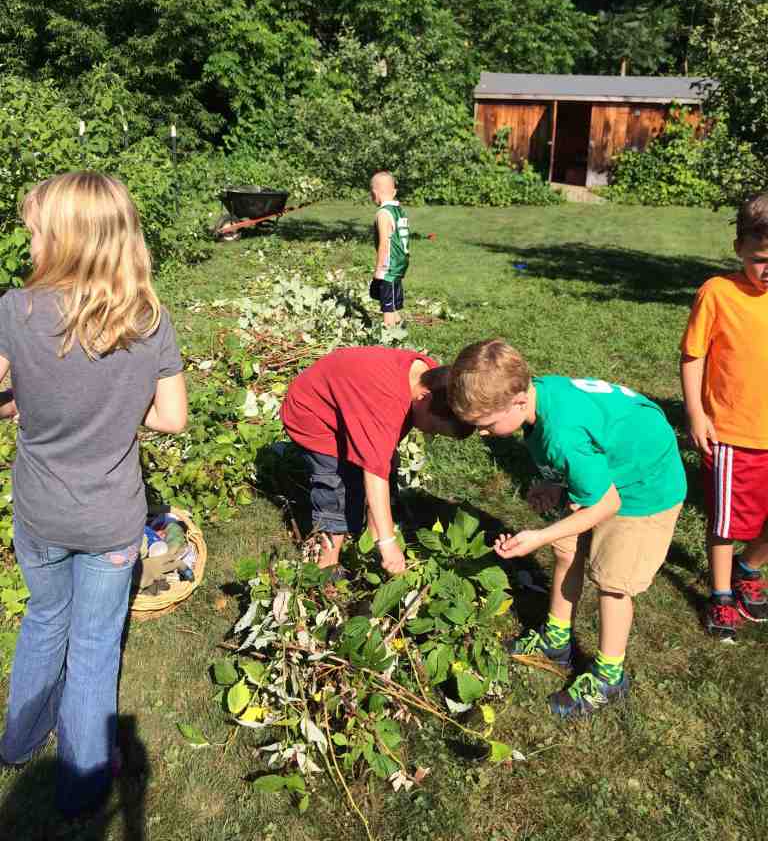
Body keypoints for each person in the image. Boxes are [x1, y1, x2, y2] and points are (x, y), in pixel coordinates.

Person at [0, 172, 187, 818]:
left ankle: (19, 742)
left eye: (35, 231)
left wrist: (24, 401)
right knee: (95, 643)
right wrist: (117, 411)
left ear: (63, 237)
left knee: (45, 618)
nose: (30, 242)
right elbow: (172, 418)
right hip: (110, 518)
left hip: (40, 512)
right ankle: (81, 789)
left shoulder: (14, 310)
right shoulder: (149, 320)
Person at [448, 339, 686, 719]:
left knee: (613, 582)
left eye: (487, 424)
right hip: (610, 467)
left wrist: (540, 536)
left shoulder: (561, 435)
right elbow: (587, 449)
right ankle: (557, 640)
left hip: (644, 486)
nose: (483, 434)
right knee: (566, 549)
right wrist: (555, 484)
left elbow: (606, 504)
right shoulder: (540, 398)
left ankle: (609, 676)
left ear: (518, 401)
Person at [280, 346, 472, 574]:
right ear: (424, 398)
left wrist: (382, 535)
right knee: (337, 490)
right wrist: (388, 543)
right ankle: (323, 569)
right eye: (434, 428)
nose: (430, 433)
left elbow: (380, 462)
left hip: (349, 408)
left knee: (384, 467)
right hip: (314, 415)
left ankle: (370, 545)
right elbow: (374, 474)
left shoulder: (430, 376)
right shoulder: (388, 401)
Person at [680, 192, 768, 641]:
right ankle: (720, 593)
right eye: (761, 259)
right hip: (733, 436)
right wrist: (696, 413)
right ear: (739, 248)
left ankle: (748, 566)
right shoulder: (718, 292)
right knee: (725, 522)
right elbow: (693, 356)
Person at [369, 171, 409, 328]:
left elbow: (384, 244)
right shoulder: (399, 211)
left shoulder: (383, 214)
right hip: (400, 261)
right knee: (392, 298)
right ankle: (398, 321)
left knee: (386, 304)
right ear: (394, 192)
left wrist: (379, 269)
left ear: (374, 193)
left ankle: (389, 331)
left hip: (389, 265)